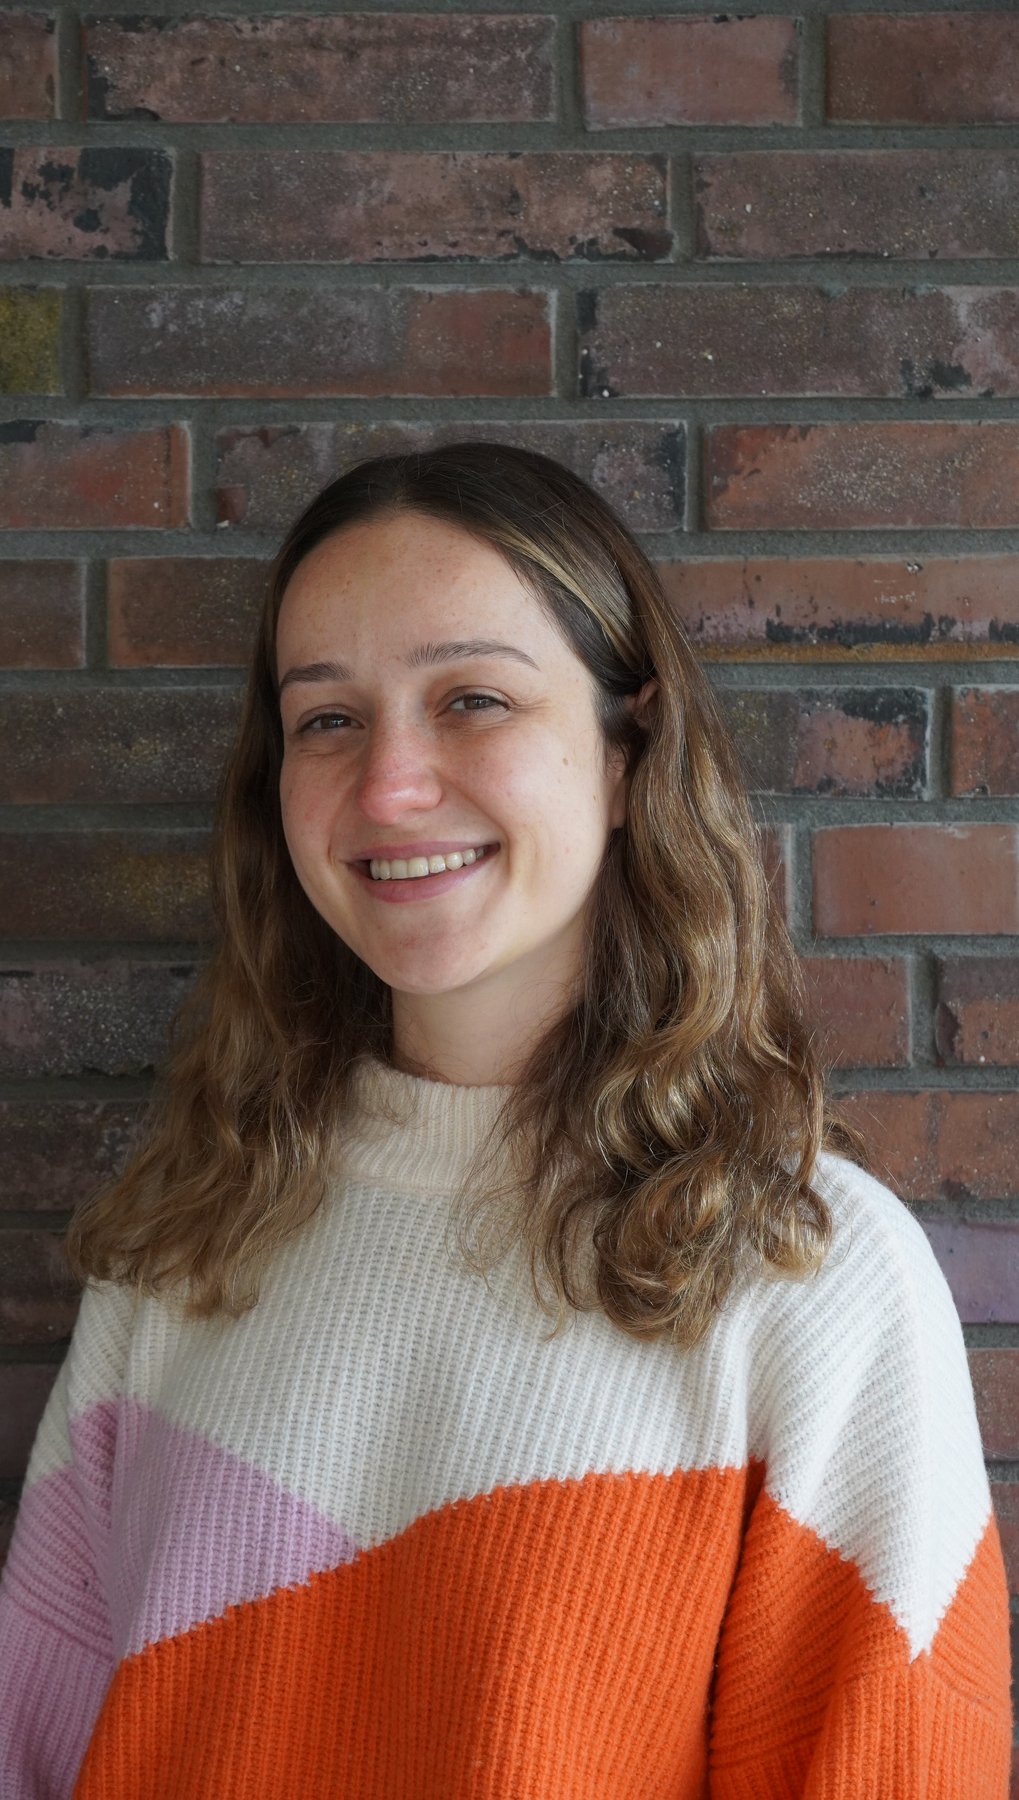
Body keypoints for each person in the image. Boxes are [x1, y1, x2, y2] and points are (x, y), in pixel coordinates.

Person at [0, 443, 1010, 1798]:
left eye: (472, 698)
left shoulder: (805, 1279)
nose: (390, 786)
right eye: (327, 719)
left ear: (623, 751)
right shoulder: (184, 1245)